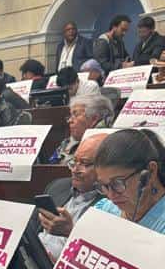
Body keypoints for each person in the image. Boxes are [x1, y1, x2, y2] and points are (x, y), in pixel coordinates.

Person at [38, 132, 105, 260]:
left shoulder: (112, 205)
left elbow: (100, 257)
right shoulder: (57, 186)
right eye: (74, 161)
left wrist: (70, 232)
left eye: (84, 163)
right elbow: (33, 231)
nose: (75, 169)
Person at [93, 128, 165, 233]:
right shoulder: (103, 210)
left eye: (118, 183)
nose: (111, 195)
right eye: (104, 185)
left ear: (151, 171)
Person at [50, 90, 113, 164]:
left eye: (75, 115)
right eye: (70, 115)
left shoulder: (107, 144)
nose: (69, 120)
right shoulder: (67, 142)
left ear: (94, 119)